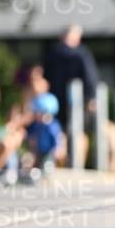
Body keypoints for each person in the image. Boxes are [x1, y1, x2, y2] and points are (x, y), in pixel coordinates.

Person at [44, 24, 98, 164]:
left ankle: (65, 164)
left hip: (58, 101)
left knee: (61, 133)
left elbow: (45, 78)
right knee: (77, 133)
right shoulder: (82, 54)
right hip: (76, 102)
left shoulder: (53, 53)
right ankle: (75, 164)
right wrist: (91, 98)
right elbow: (90, 78)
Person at [25, 92, 66, 176]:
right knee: (36, 163)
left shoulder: (52, 126)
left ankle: (47, 175)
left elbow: (58, 137)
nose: (36, 116)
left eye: (38, 113)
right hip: (39, 150)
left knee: (47, 163)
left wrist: (58, 148)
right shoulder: (37, 125)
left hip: (50, 151)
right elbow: (32, 137)